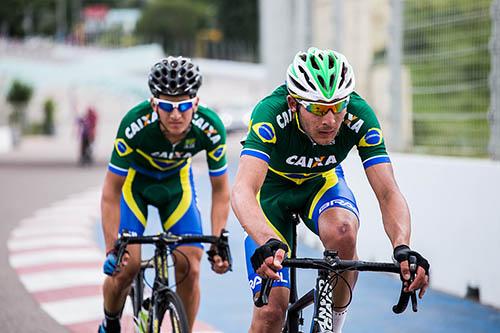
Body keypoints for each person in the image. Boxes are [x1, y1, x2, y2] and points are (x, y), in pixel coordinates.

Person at [231, 47, 430, 333]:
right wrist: (265, 240)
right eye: (317, 108)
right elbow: (244, 190)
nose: (330, 120)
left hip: (320, 183)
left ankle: (333, 326)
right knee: (272, 312)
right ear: (293, 103)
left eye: (338, 106)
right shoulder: (269, 113)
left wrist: (402, 246)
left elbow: (388, 192)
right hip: (271, 191)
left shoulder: (360, 116)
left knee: (344, 232)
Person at [98, 56, 231, 333]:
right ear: (153, 104)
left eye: (183, 106)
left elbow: (221, 190)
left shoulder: (211, 127)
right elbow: (110, 193)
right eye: (167, 107)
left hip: (176, 189)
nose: (175, 115)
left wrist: (219, 240)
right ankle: (111, 322)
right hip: (136, 188)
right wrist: (112, 246)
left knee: (191, 265)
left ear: (195, 103)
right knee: (128, 266)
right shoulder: (134, 124)